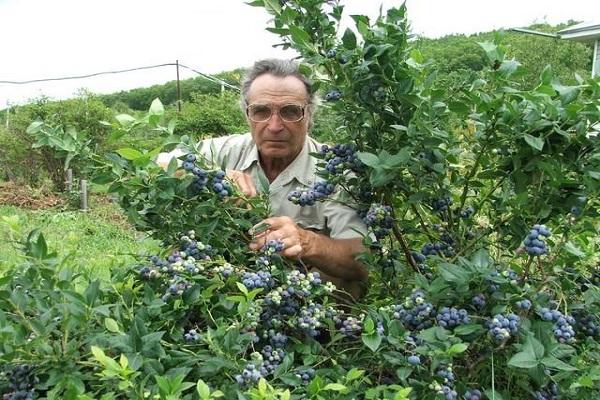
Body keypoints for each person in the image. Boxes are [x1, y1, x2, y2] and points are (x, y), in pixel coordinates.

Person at [161, 59, 369, 300]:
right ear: (247, 114)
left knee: (345, 283)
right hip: (232, 286)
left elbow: (362, 261)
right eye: (261, 111)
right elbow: (155, 167)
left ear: (309, 116)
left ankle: (324, 337)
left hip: (303, 297)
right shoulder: (227, 151)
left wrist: (306, 242)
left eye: (290, 112)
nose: (274, 126)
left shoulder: (335, 172)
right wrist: (211, 177)